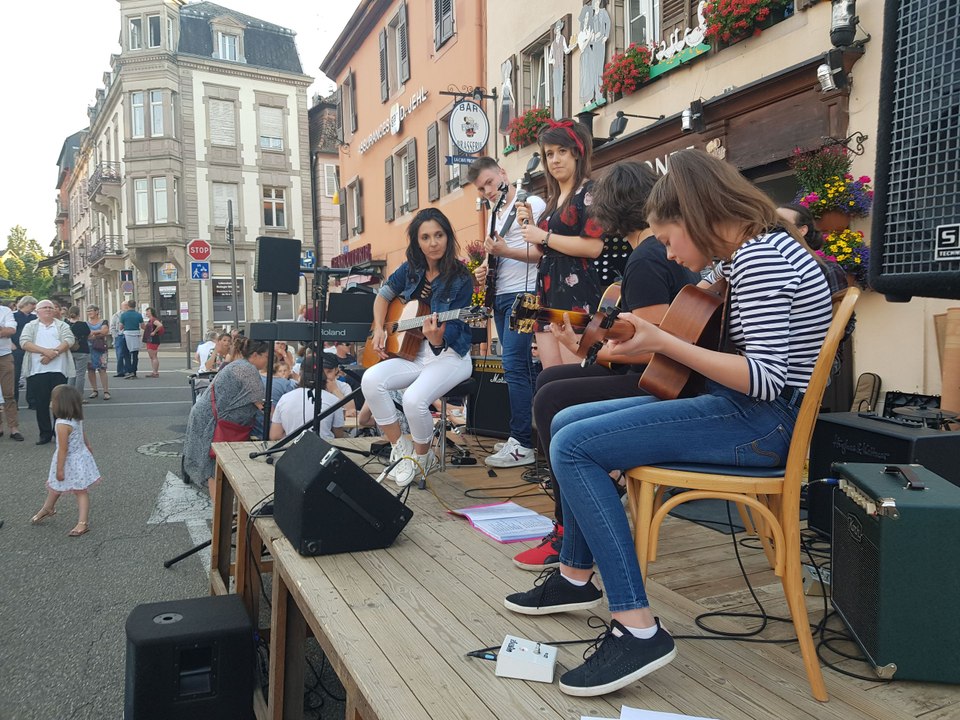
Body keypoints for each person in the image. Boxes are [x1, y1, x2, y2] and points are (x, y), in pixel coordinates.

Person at [503, 149, 833, 697]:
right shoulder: (750, 253)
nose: (671, 252)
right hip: (742, 411)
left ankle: (636, 627)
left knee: (576, 444)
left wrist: (664, 341)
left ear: (697, 214)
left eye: (669, 237)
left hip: (759, 422)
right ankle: (576, 575)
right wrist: (637, 333)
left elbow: (765, 379)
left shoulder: (762, 259)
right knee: (566, 423)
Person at [511, 161, 699, 571]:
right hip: (664, 378)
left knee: (551, 397)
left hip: (660, 384)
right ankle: (589, 498)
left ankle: (569, 531)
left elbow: (657, 349)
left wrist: (590, 352)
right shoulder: (655, 252)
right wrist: (588, 347)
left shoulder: (646, 259)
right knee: (551, 380)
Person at [361, 208, 474, 487]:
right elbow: (383, 297)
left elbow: (456, 327)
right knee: (371, 379)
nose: (433, 243)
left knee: (413, 400)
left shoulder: (461, 278)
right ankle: (400, 447)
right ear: (417, 241)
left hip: (450, 355)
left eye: (439, 235)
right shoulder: (411, 269)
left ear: (448, 237)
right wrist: (380, 328)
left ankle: (423, 457)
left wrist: (437, 339)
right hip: (412, 352)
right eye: (425, 237)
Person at [469, 156, 546, 467]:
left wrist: (505, 251)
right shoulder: (495, 213)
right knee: (516, 365)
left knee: (514, 364)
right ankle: (523, 435)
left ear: (502, 173)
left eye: (489, 182)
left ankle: (523, 442)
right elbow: (497, 254)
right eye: (481, 188)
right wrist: (484, 268)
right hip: (500, 295)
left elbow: (540, 252)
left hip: (526, 295)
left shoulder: (530, 204)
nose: (487, 190)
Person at [515, 119, 606, 368]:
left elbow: (593, 247)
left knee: (572, 376)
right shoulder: (553, 199)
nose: (555, 160)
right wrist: (532, 226)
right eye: (549, 154)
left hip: (576, 289)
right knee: (549, 376)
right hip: (547, 290)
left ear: (577, 153)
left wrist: (543, 236)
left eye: (561, 151)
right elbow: (545, 249)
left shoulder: (590, 191)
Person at [182, 337, 270, 487]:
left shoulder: (239, 364)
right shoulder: (248, 370)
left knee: (212, 465)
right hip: (213, 421)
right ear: (255, 355)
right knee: (213, 467)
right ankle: (218, 502)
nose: (268, 360)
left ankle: (218, 501)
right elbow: (260, 404)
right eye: (267, 356)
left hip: (208, 416)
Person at [29, 385, 101, 537]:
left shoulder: (62, 424)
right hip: (80, 457)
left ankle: (82, 523)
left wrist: (60, 469)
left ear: (60, 404)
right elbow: (82, 433)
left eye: (52, 400)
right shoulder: (75, 418)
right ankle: (48, 508)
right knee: (57, 486)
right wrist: (88, 445)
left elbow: (63, 449)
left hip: (70, 460)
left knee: (80, 491)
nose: (50, 403)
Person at [20, 300, 76, 445]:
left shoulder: (62, 325)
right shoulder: (30, 326)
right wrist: (46, 352)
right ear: (37, 311)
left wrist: (54, 354)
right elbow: (24, 342)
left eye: (50, 307)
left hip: (59, 369)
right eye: (44, 307)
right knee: (41, 403)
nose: (48, 310)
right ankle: (44, 434)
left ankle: (60, 433)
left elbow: (69, 340)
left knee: (60, 404)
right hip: (37, 370)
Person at [270, 353, 349, 441]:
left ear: (300, 374)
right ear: (323, 376)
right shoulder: (333, 400)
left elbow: (275, 436)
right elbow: (338, 435)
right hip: (324, 447)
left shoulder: (284, 399)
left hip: (292, 447)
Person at [777, 203, 848, 294]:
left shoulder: (827, 269)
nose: (773, 231)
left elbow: (839, 303)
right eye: (770, 226)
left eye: (782, 226)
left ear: (802, 230)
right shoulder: (765, 267)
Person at [0, 300, 23, 441]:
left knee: (9, 393)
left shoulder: (5, 311)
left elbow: (11, 330)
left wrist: (5, 331)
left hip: (4, 355)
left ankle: (14, 428)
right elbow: (6, 331)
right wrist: (2, 330)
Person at [12, 295, 38, 410]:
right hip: (16, 348)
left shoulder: (34, 318)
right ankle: (14, 402)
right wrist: (11, 343)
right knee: (15, 376)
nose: (34, 307)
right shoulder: (14, 316)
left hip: (30, 348)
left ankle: (32, 401)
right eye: (32, 304)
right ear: (26, 304)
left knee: (31, 375)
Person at [85, 305, 110, 401]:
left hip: (101, 349)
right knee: (90, 369)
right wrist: (98, 333)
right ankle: (94, 390)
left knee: (102, 369)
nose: (89, 313)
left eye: (91, 310)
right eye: (88, 311)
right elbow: (86, 335)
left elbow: (104, 331)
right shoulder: (85, 323)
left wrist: (93, 333)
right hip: (89, 349)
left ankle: (106, 391)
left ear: (96, 311)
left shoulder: (103, 321)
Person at [65, 307, 91, 399]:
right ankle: (79, 396)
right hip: (82, 350)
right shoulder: (83, 324)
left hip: (69, 350)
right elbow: (88, 334)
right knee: (80, 374)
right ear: (79, 314)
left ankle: (69, 395)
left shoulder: (65, 325)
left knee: (71, 374)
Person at [119, 300, 144, 379]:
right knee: (135, 354)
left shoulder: (124, 315)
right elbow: (143, 326)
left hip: (127, 335)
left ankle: (129, 371)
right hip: (136, 334)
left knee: (126, 354)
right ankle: (134, 371)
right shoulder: (138, 315)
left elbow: (121, 327)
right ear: (135, 306)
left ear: (128, 306)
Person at [142, 307, 164, 377]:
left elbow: (160, 325)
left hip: (153, 339)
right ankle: (154, 371)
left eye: (148, 311)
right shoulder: (150, 320)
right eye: (146, 311)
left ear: (152, 312)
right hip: (150, 339)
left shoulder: (154, 320)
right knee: (152, 357)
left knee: (154, 356)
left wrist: (154, 332)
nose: (146, 313)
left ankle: (155, 372)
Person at [110, 306, 127, 378]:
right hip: (119, 336)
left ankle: (127, 371)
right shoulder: (116, 315)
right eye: (125, 306)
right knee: (119, 354)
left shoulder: (131, 314)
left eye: (127, 306)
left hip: (128, 335)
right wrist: (115, 336)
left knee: (128, 354)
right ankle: (120, 371)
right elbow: (112, 326)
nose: (126, 307)